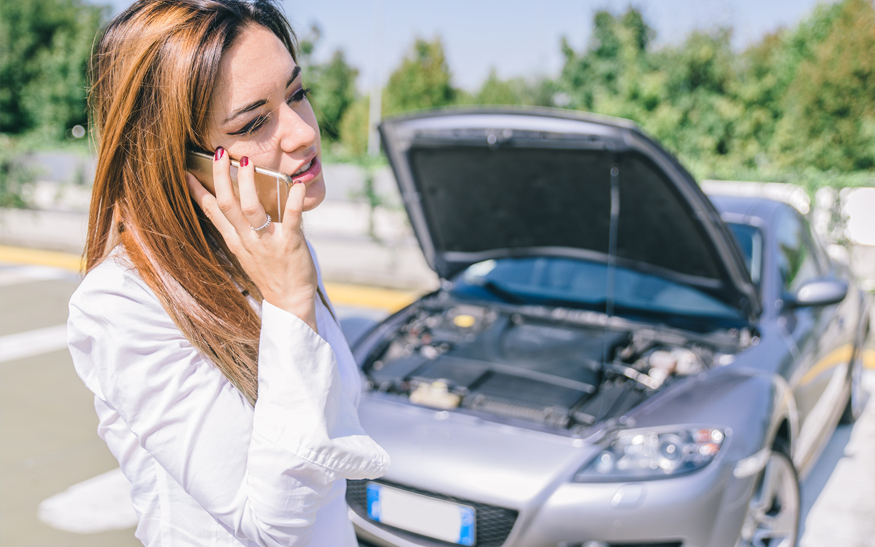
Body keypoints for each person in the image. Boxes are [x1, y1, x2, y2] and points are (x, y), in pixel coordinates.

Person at [67, 0, 389, 545]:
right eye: (254, 122)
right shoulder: (121, 303)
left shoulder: (267, 247)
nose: (302, 133)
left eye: (297, 94)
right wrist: (290, 301)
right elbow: (269, 524)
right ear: (179, 157)